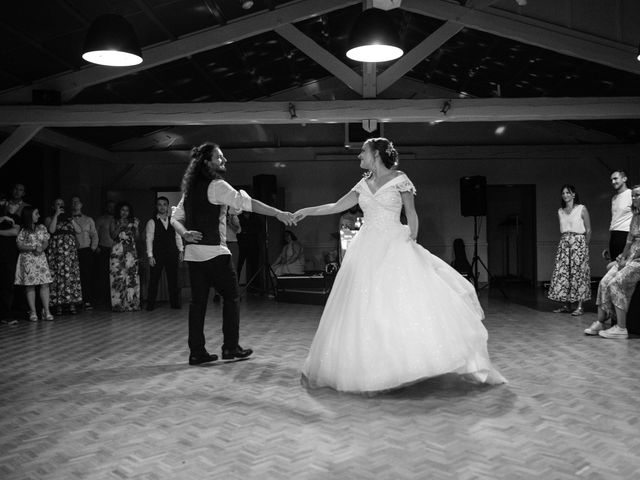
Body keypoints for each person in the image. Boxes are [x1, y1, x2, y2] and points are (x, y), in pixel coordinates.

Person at [293, 137, 505, 393]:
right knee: (364, 304)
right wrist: (306, 210)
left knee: (397, 302)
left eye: (363, 151)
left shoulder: (400, 178)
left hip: (395, 243)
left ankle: (408, 361)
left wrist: (412, 239)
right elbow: (337, 206)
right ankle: (372, 366)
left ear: (377, 154)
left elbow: (411, 213)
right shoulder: (363, 184)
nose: (359, 156)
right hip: (366, 247)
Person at [171, 142, 294, 366]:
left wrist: (185, 233)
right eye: (220, 158)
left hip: (194, 256)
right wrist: (278, 213)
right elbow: (247, 203)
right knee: (232, 297)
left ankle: (196, 352)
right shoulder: (217, 186)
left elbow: (175, 218)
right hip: (216, 254)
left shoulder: (190, 191)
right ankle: (230, 347)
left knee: (197, 304)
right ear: (207, 162)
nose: (224, 161)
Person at [584, 185, 640, 339]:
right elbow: (629, 242)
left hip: (638, 261)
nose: (634, 198)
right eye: (633, 196)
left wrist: (630, 260)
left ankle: (621, 328)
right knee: (604, 281)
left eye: (637, 195)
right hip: (630, 257)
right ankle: (601, 321)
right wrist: (622, 258)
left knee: (616, 283)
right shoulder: (635, 216)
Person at [547, 185, 592, 316]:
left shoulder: (581, 209)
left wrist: (584, 247)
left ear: (574, 194)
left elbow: (588, 230)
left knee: (579, 274)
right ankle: (566, 304)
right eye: (563, 193)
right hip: (565, 243)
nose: (565, 195)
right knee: (564, 274)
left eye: (568, 192)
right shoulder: (560, 211)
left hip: (579, 242)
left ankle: (580, 306)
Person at [14, 206, 54, 321]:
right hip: (28, 259)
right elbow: (19, 245)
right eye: (36, 214)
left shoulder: (41, 227)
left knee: (45, 283)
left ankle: (46, 311)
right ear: (29, 215)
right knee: (30, 285)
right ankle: (33, 312)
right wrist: (33, 248)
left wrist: (41, 248)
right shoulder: (23, 230)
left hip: (40, 258)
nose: (39, 216)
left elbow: (46, 241)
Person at [44, 199, 82, 315]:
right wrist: (56, 215)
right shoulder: (49, 219)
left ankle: (71, 303)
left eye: (62, 204)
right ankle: (58, 305)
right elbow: (51, 230)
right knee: (58, 277)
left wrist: (71, 219)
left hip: (70, 254)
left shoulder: (70, 219)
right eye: (58, 204)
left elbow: (79, 231)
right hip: (57, 253)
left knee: (70, 277)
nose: (61, 206)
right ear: (53, 207)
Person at [145, 196, 183, 311]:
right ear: (157, 207)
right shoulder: (152, 222)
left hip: (172, 253)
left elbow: (178, 236)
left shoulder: (173, 221)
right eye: (160, 204)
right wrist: (150, 256)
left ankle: (175, 304)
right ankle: (150, 304)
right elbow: (149, 239)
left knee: (173, 279)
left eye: (164, 204)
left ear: (167, 206)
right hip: (158, 254)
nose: (162, 207)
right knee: (154, 279)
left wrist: (181, 250)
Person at [109, 202, 141, 312]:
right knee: (118, 276)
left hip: (130, 252)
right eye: (122, 210)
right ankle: (118, 304)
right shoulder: (114, 221)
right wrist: (119, 226)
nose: (124, 212)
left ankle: (132, 304)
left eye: (127, 210)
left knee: (131, 277)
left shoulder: (132, 222)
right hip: (117, 251)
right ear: (119, 211)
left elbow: (137, 238)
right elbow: (113, 235)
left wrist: (136, 228)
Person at [71, 196, 98, 310]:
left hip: (86, 249)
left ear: (81, 204)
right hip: (71, 251)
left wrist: (92, 248)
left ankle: (87, 300)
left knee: (87, 276)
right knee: (73, 276)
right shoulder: (67, 219)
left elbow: (94, 235)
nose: (75, 204)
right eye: (73, 202)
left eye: (78, 201)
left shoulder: (88, 219)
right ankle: (74, 301)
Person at [0, 200, 20, 325]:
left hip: (9, 257)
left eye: (15, 204)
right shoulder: (2, 217)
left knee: (8, 286)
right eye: (10, 204)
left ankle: (6, 314)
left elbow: (14, 232)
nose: (13, 206)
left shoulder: (17, 218)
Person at [608, 170, 632, 261]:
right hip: (614, 234)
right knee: (613, 264)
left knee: (624, 264)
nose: (613, 182)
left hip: (626, 234)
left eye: (615, 179)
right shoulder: (614, 198)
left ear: (624, 179)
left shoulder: (631, 194)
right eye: (611, 180)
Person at [95, 200, 115, 307]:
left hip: (116, 250)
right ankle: (102, 298)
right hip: (103, 248)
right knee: (102, 275)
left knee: (115, 274)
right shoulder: (101, 219)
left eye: (113, 206)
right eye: (109, 206)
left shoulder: (117, 219)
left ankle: (113, 298)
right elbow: (95, 233)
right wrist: (96, 246)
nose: (111, 208)